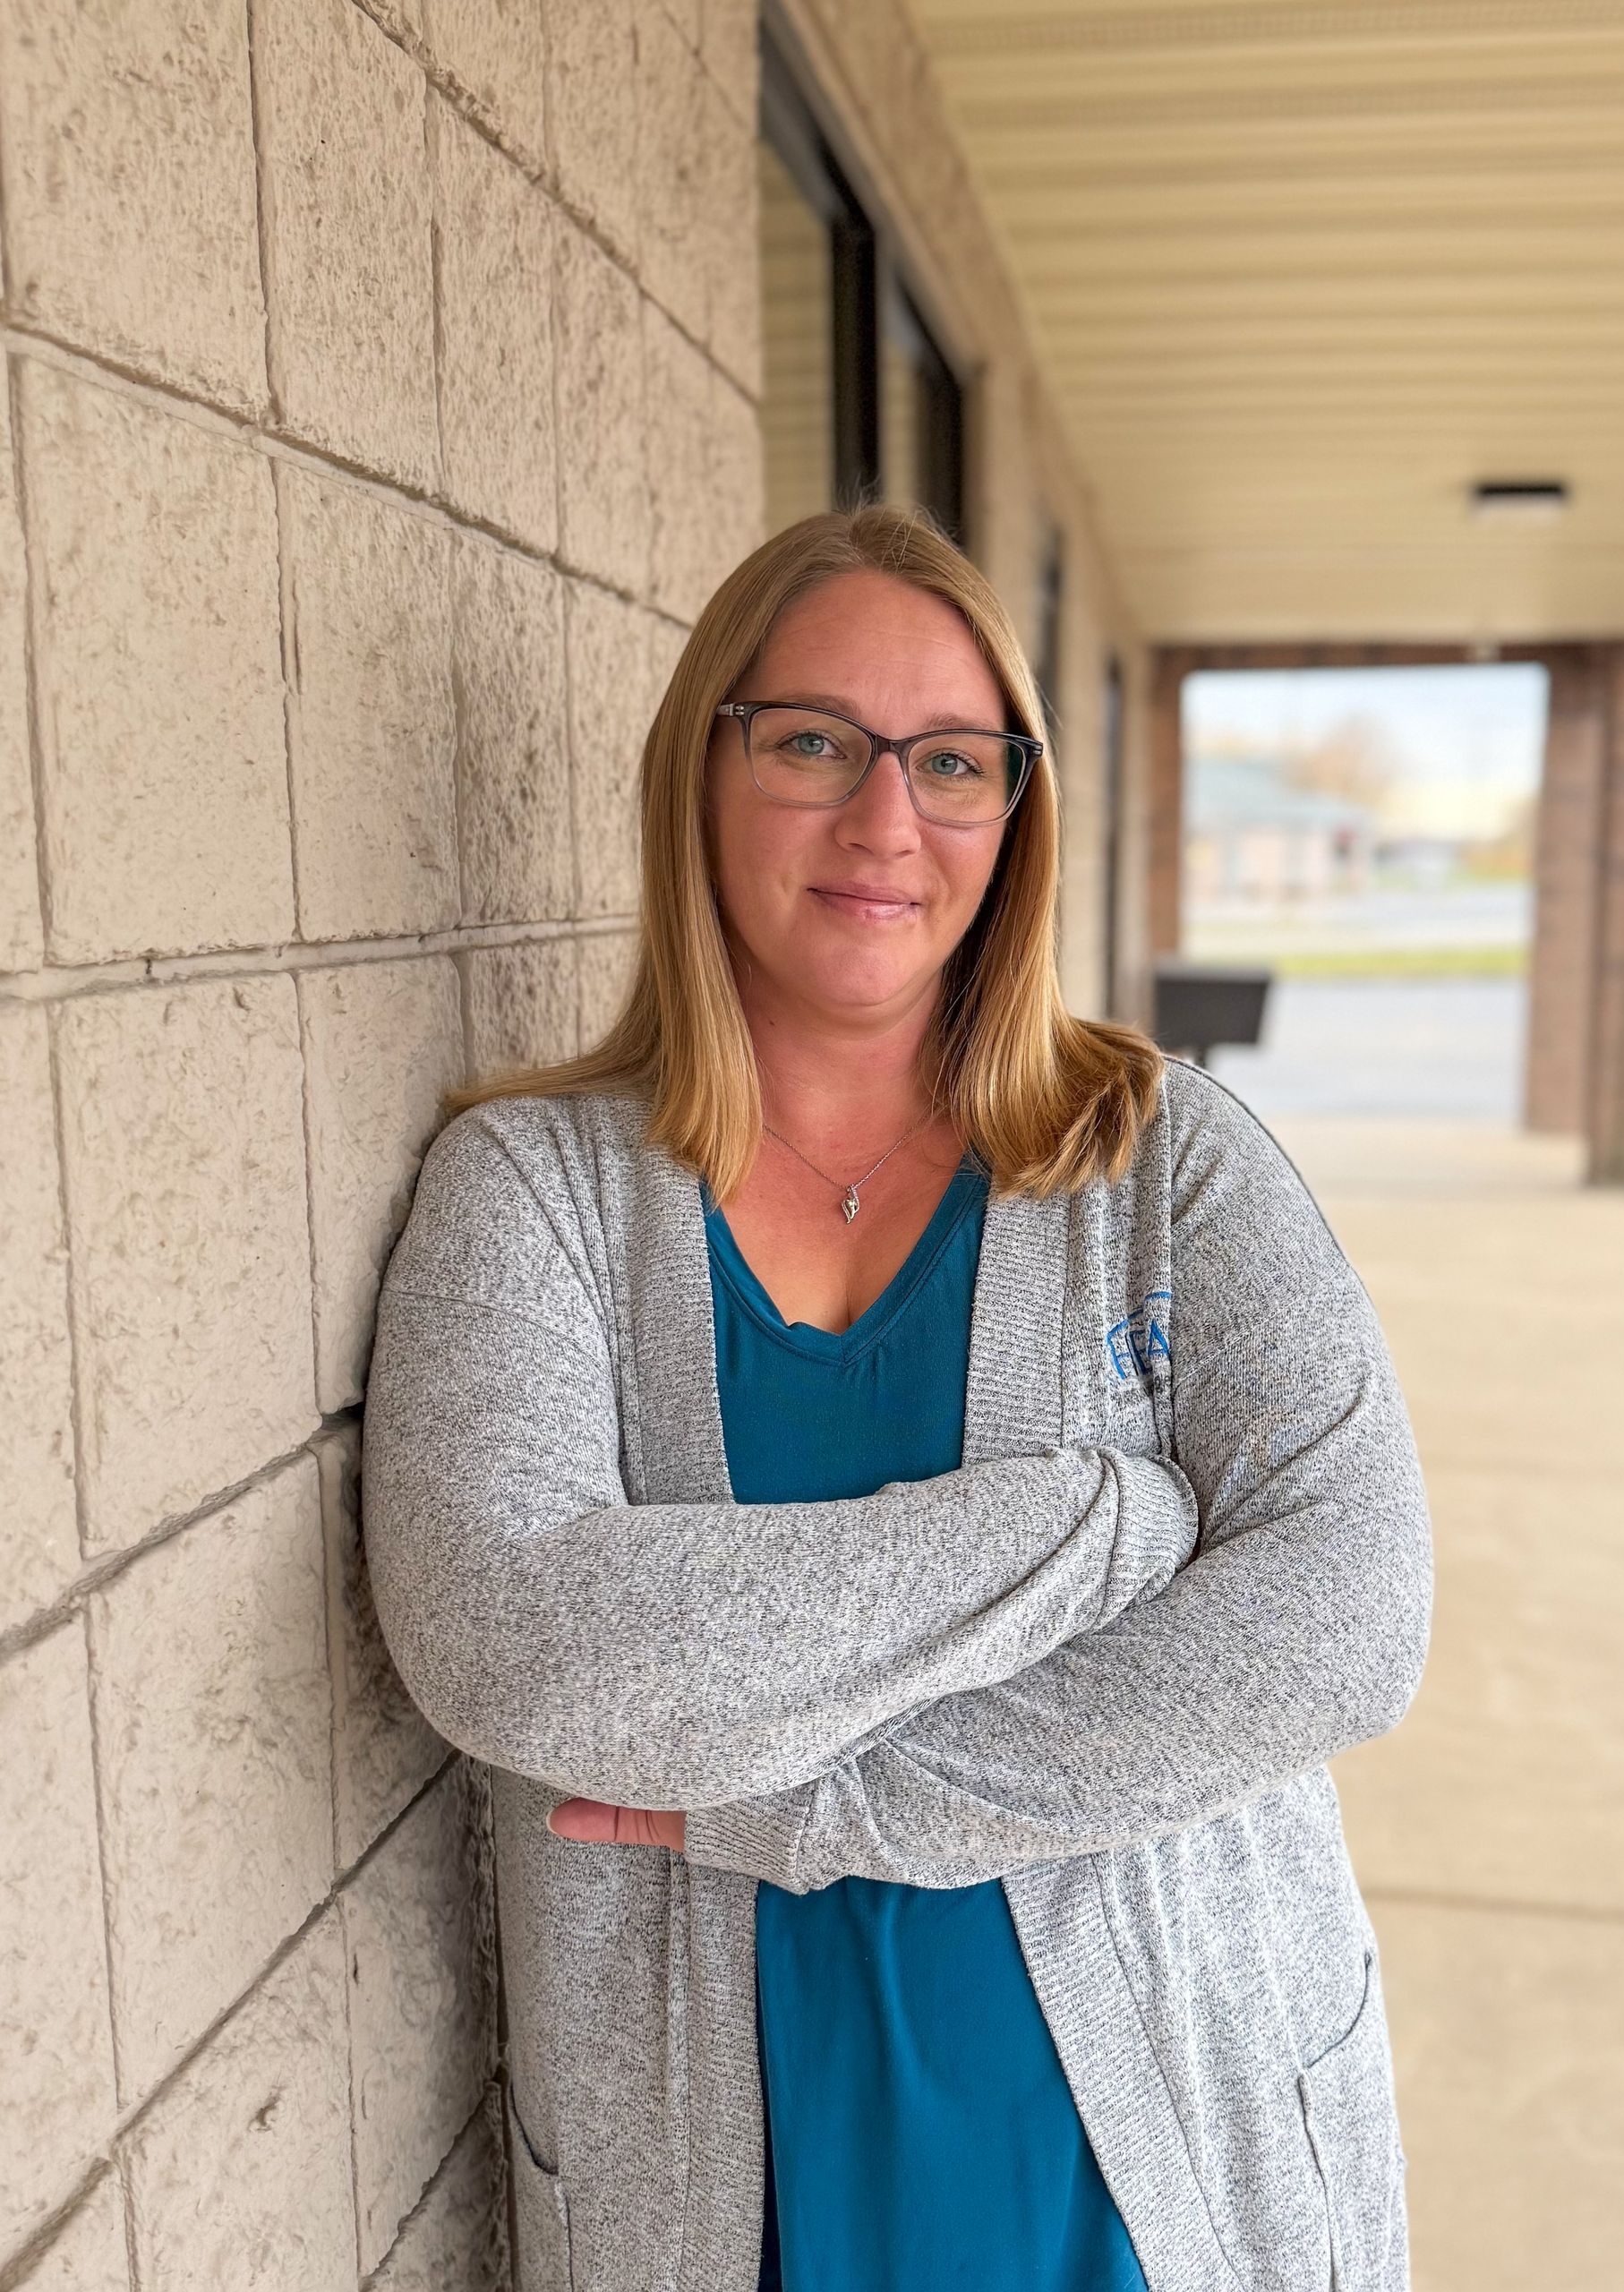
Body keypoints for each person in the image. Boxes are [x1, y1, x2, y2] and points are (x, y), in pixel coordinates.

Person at [361, 503, 1433, 2292]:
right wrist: (1094, 1527)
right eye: (812, 743)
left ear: (1016, 813)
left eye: (952, 761)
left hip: (1160, 2169)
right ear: (701, 768)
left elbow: (1343, 1619)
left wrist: (804, 1806)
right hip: (732, 2200)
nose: (885, 821)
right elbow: (512, 1640)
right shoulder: (530, 1187)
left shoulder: (1169, 1167)